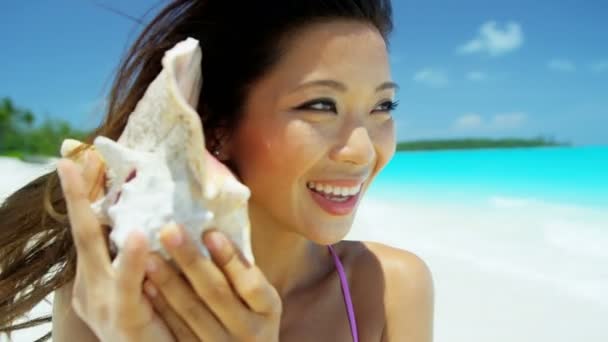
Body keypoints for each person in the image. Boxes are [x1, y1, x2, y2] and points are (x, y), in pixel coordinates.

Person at [0, 0, 434, 341]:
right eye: (321, 105)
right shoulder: (112, 302)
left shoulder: (389, 288)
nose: (362, 150)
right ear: (218, 127)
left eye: (383, 106)